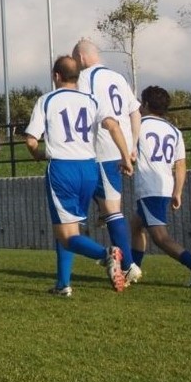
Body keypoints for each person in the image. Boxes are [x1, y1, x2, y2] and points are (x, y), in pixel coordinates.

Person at [23, 56, 129, 296]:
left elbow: (31, 139)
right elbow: (113, 126)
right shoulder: (92, 100)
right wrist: (125, 156)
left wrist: (37, 154)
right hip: (90, 168)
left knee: (66, 234)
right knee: (68, 228)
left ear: (56, 76)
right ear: (78, 76)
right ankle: (63, 284)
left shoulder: (47, 100)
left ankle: (107, 255)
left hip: (63, 168)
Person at [72, 38, 141, 285]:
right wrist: (131, 147)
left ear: (80, 58)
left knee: (112, 211)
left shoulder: (84, 78)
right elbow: (135, 113)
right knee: (109, 207)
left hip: (101, 148)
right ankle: (122, 262)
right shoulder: (118, 77)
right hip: (119, 149)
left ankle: (129, 264)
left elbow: (78, 111)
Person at [128, 86, 191, 287]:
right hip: (164, 186)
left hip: (150, 187)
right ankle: (133, 271)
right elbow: (181, 163)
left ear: (146, 104)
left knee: (160, 237)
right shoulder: (174, 131)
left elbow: (129, 150)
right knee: (135, 225)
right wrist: (178, 192)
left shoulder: (139, 125)